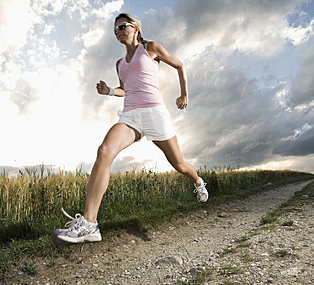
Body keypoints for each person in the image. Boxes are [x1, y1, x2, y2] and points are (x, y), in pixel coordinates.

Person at [53, 13, 208, 244]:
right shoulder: (120, 64)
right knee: (104, 151)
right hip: (131, 116)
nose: (118, 31)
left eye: (122, 26)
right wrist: (109, 91)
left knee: (180, 165)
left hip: (155, 113)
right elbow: (125, 89)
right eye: (115, 29)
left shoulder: (151, 48)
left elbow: (179, 65)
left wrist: (184, 93)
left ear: (135, 28)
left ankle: (197, 181)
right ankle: (89, 224)